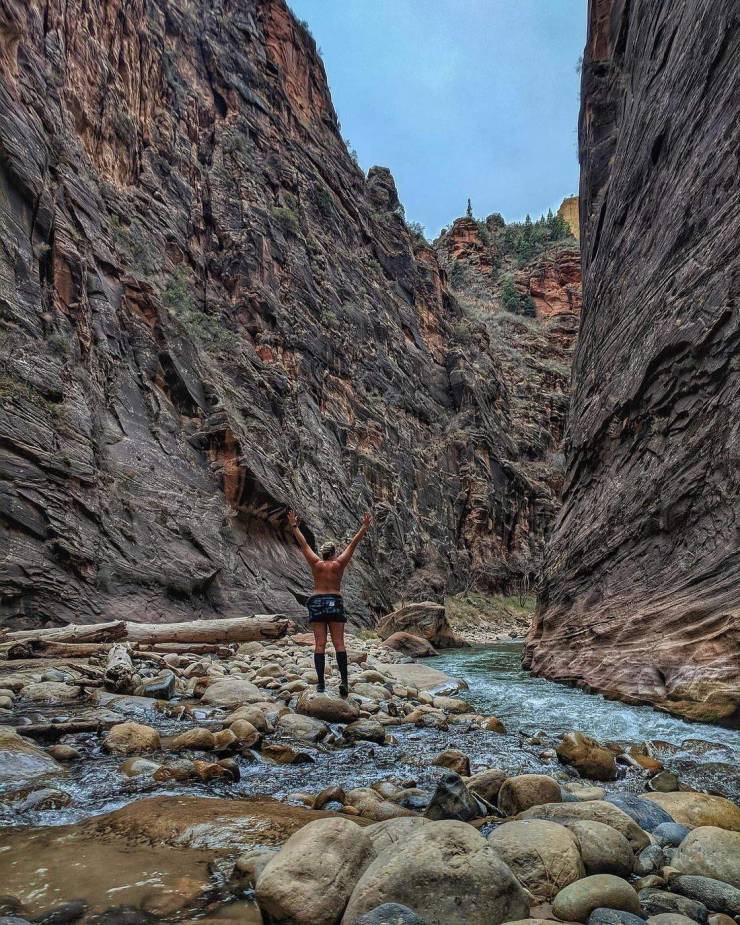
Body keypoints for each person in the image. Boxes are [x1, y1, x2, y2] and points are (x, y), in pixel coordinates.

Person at [287, 510, 372, 697]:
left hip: (317, 602)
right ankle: (344, 682)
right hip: (334, 602)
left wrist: (294, 526)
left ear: (323, 554)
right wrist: (364, 527)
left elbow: (303, 544)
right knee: (339, 644)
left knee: (319, 645)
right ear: (333, 554)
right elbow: (353, 544)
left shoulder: (316, 564)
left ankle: (321, 685)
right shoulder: (338, 564)